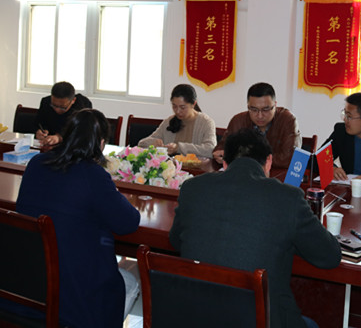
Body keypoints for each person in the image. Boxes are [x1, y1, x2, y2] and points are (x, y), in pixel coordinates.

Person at [170, 128, 341, 328]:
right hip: (261, 319)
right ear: (269, 162)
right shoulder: (288, 197)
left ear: (224, 163)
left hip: (195, 316)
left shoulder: (192, 188)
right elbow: (330, 256)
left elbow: (176, 241)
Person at [14, 109, 140, 327]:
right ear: (101, 144)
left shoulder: (36, 163)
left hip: (30, 281)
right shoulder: (93, 175)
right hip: (76, 295)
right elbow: (128, 223)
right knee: (132, 277)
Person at [212, 82, 301, 170]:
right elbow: (222, 146)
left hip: (276, 175)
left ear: (275, 105)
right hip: (244, 174)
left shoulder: (287, 120)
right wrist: (220, 153)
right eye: (254, 109)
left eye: (265, 109)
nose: (260, 115)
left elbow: (290, 158)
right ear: (248, 106)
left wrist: (247, 157)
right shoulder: (238, 120)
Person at [139, 84, 216, 158]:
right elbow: (141, 144)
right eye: (174, 106)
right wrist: (153, 143)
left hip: (195, 166)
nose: (178, 111)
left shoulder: (206, 122)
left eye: (182, 107)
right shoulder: (169, 121)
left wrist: (179, 148)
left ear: (193, 104)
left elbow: (210, 149)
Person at [35, 81, 92, 146]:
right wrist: (40, 131)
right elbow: (39, 122)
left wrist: (59, 137)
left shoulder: (82, 106)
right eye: (54, 105)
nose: (57, 110)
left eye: (62, 107)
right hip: (48, 145)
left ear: (73, 100)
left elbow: (81, 130)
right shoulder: (45, 102)